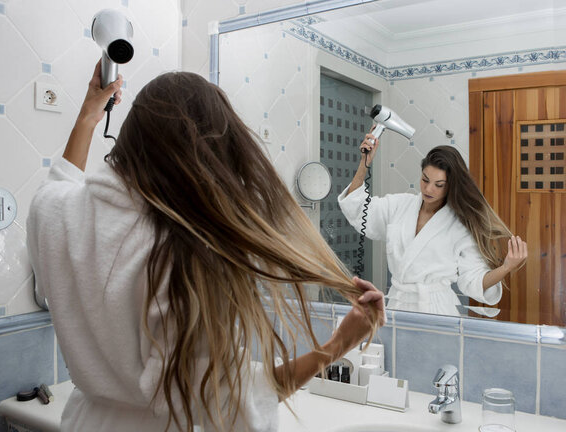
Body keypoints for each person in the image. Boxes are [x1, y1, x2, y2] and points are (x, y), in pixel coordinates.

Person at [26, 61, 385, 432]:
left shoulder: (53, 213)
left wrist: (88, 114)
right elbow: (232, 403)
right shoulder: (185, 256)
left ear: (132, 137)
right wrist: (339, 343)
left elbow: (60, 180)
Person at [338, 133, 527, 316]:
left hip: (437, 309)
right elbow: (357, 206)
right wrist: (365, 163)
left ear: (451, 185)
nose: (428, 189)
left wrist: (506, 267)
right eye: (425, 180)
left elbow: (474, 280)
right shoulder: (399, 205)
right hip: (398, 304)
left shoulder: (461, 225)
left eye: (439, 185)